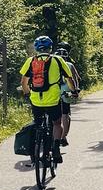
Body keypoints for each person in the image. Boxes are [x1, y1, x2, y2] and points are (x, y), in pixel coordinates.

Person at [20, 36, 78, 164]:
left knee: (37, 123)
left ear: (36, 48)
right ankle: (56, 146)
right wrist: (74, 91)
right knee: (57, 123)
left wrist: (28, 94)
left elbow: (24, 82)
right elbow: (69, 79)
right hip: (53, 99)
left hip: (36, 100)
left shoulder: (30, 61)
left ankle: (35, 147)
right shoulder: (58, 60)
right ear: (50, 48)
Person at [55, 42, 81, 147]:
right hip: (66, 92)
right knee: (65, 115)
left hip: (54, 92)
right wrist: (76, 89)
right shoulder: (70, 65)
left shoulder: (52, 64)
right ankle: (63, 137)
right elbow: (75, 79)